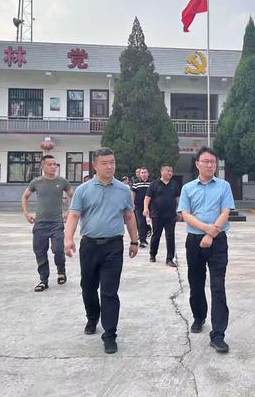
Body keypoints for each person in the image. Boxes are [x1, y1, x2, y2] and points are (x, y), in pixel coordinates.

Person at [64, 147, 139, 355]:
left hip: (114, 246)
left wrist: (134, 241)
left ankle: (110, 334)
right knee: (88, 287)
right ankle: (92, 316)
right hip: (89, 246)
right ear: (95, 165)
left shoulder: (123, 190)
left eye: (112, 162)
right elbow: (73, 216)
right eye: (105, 163)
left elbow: (130, 217)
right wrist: (68, 239)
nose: (110, 166)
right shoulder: (83, 190)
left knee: (109, 291)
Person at [177, 147, 235, 353]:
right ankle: (199, 316)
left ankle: (218, 334)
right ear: (197, 164)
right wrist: (204, 230)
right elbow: (185, 213)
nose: (210, 165)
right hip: (194, 241)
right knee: (196, 282)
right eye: (205, 161)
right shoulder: (188, 188)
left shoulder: (224, 186)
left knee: (218, 287)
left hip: (218, 241)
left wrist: (211, 234)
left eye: (213, 161)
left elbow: (226, 211)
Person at [21, 155, 74, 292]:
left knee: (58, 249)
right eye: (50, 164)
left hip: (56, 223)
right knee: (40, 252)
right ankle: (43, 280)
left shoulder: (62, 181)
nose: (53, 167)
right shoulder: (36, 182)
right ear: (43, 166)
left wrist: (69, 212)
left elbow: (73, 196)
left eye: (55, 164)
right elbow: (25, 196)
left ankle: (61, 271)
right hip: (40, 224)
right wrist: (27, 213)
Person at [143, 164, 180, 267]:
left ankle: (169, 259)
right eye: (168, 171)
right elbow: (147, 198)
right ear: (162, 172)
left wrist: (180, 211)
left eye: (171, 171)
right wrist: (146, 208)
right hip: (157, 215)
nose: (170, 173)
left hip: (171, 216)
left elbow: (177, 198)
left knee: (170, 236)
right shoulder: (154, 184)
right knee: (156, 235)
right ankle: (153, 254)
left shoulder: (174, 184)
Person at [131, 167, 151, 248]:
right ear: (140, 174)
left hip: (150, 206)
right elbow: (132, 193)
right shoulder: (136, 183)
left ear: (148, 174)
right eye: (142, 172)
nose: (143, 174)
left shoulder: (152, 183)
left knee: (147, 223)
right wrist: (132, 203)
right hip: (139, 206)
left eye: (145, 172)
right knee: (141, 223)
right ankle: (142, 240)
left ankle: (146, 234)